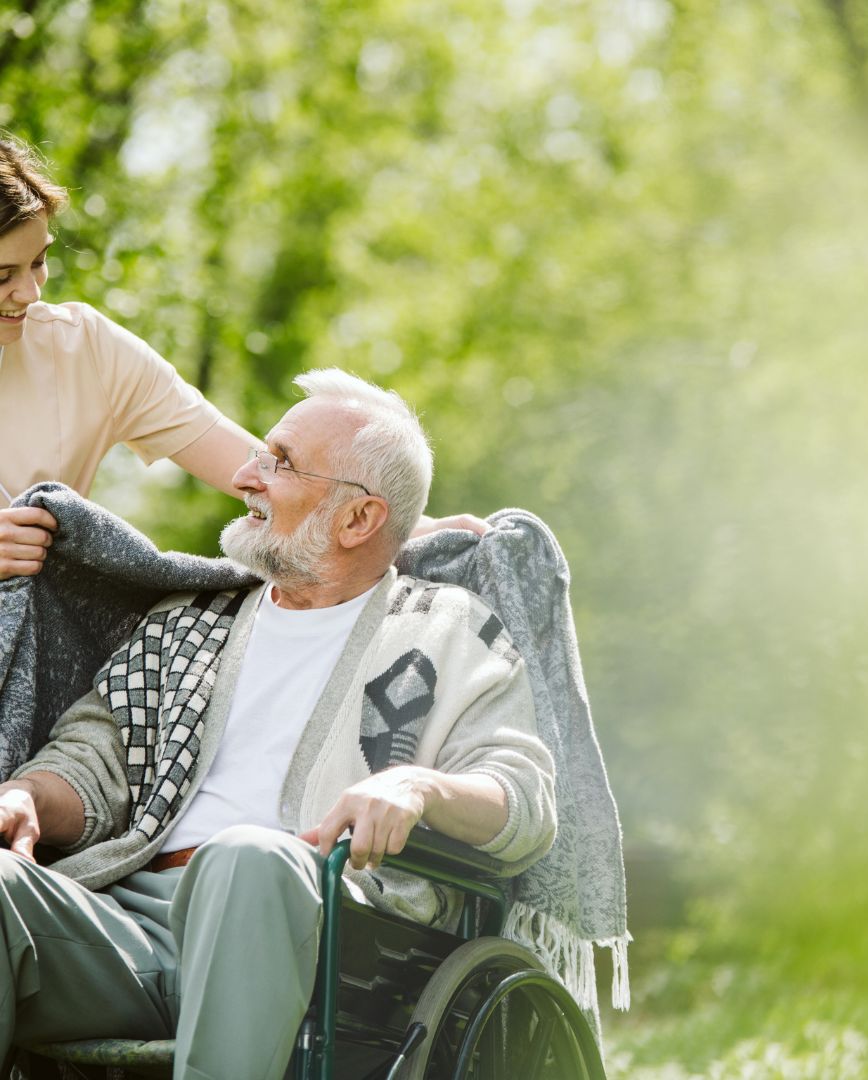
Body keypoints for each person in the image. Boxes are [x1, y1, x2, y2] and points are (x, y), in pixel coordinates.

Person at [0, 368, 556, 1079]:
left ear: (360, 519)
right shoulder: (187, 624)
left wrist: (421, 788)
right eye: (259, 455)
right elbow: (92, 761)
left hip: (331, 933)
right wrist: (26, 794)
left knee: (249, 856)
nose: (244, 476)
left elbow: (526, 797)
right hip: (134, 926)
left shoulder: (451, 634)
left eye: (279, 462)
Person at [0, 136, 483, 581]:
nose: (30, 291)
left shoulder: (84, 350)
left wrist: (410, 526)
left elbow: (250, 462)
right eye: (4, 274)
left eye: (39, 260)